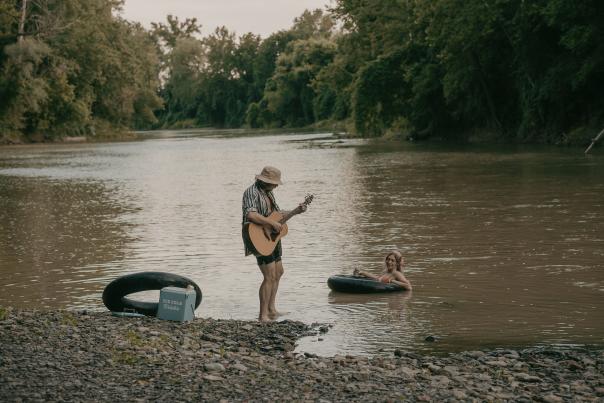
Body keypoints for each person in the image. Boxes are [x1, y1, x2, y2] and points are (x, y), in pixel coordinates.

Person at [242, 166, 307, 322]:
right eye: (274, 183)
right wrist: (270, 222)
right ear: (264, 181)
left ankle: (271, 310)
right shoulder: (251, 192)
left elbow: (277, 214)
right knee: (269, 276)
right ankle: (262, 315)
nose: (276, 186)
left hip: (272, 236)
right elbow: (250, 214)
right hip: (257, 237)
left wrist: (296, 211)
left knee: (278, 272)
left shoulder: (268, 193)